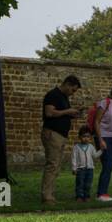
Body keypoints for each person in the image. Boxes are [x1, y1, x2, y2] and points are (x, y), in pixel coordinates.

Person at [41, 74, 82, 205]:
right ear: (67, 84)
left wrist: (72, 115)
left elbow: (60, 114)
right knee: (52, 165)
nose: (73, 93)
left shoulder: (63, 97)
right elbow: (49, 113)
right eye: (73, 90)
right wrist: (68, 111)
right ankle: (47, 196)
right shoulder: (53, 95)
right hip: (53, 133)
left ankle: (50, 194)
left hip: (60, 135)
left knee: (56, 166)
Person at [71, 126, 99, 201]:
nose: (86, 138)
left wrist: (102, 150)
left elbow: (95, 155)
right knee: (80, 183)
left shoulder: (91, 147)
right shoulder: (76, 147)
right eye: (84, 136)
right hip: (80, 169)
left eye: (88, 137)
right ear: (79, 137)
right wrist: (74, 168)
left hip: (90, 169)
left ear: (90, 138)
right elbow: (74, 158)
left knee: (88, 184)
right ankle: (79, 196)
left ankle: (86, 196)